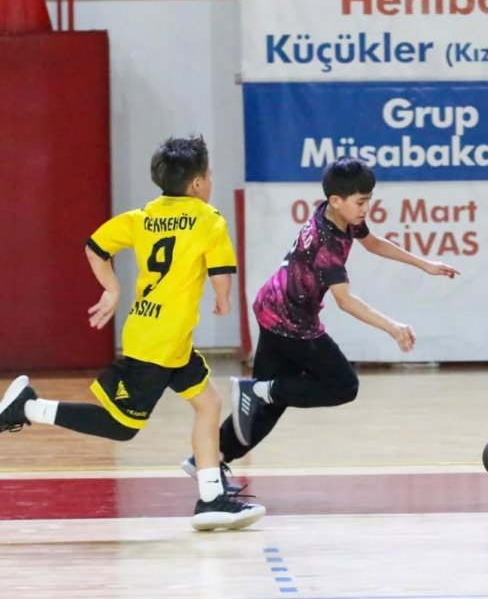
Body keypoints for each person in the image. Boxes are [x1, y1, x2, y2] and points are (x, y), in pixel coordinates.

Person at [0, 135, 264, 532]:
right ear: (197, 183)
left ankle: (212, 499)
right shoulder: (209, 219)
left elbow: (95, 247)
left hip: (160, 335)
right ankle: (27, 408)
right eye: (209, 175)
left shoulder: (142, 217)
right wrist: (223, 300)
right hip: (160, 344)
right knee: (121, 427)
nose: (211, 181)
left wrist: (113, 289)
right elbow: (221, 274)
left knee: (208, 405)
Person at [182, 157, 459, 475]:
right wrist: (392, 327)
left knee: (267, 402)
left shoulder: (339, 215)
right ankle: (253, 395)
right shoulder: (327, 244)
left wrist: (425, 264)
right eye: (361, 202)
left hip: (273, 308)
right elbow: (345, 300)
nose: (366, 208)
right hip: (290, 322)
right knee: (343, 385)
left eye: (368, 200)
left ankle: (208, 460)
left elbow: (372, 243)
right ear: (337, 200)